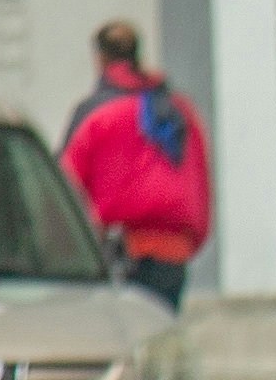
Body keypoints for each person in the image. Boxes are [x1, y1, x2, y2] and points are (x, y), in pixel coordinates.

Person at [57, 20, 210, 305]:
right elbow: (200, 182)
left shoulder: (94, 114)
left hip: (116, 252)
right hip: (172, 250)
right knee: (160, 336)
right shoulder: (180, 111)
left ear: (100, 59)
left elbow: (64, 187)